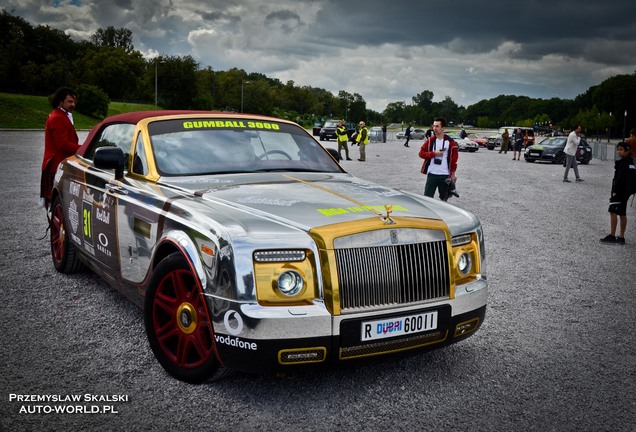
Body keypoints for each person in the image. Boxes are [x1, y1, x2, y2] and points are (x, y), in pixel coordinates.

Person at [40, 87, 79, 210]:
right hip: (57, 165)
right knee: (59, 201)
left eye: (74, 101)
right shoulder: (58, 118)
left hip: (56, 164)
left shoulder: (60, 114)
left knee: (58, 202)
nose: (72, 104)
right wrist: (83, 149)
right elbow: (63, 145)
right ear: (60, 102)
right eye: (69, 101)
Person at [600, 142, 635, 245]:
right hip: (626, 192)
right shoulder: (631, 163)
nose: (619, 152)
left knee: (613, 211)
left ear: (627, 150)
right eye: (618, 149)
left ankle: (612, 235)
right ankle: (621, 237)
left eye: (621, 150)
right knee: (622, 213)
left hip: (620, 192)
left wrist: (615, 191)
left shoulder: (623, 163)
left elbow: (619, 179)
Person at [418, 117, 458, 201]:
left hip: (444, 175)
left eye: (437, 126)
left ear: (443, 128)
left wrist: (453, 174)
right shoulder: (430, 141)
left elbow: (454, 160)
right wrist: (433, 153)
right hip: (432, 174)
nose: (434, 128)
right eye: (434, 126)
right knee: (427, 199)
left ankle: (442, 214)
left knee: (444, 200)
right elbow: (421, 154)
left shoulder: (450, 142)